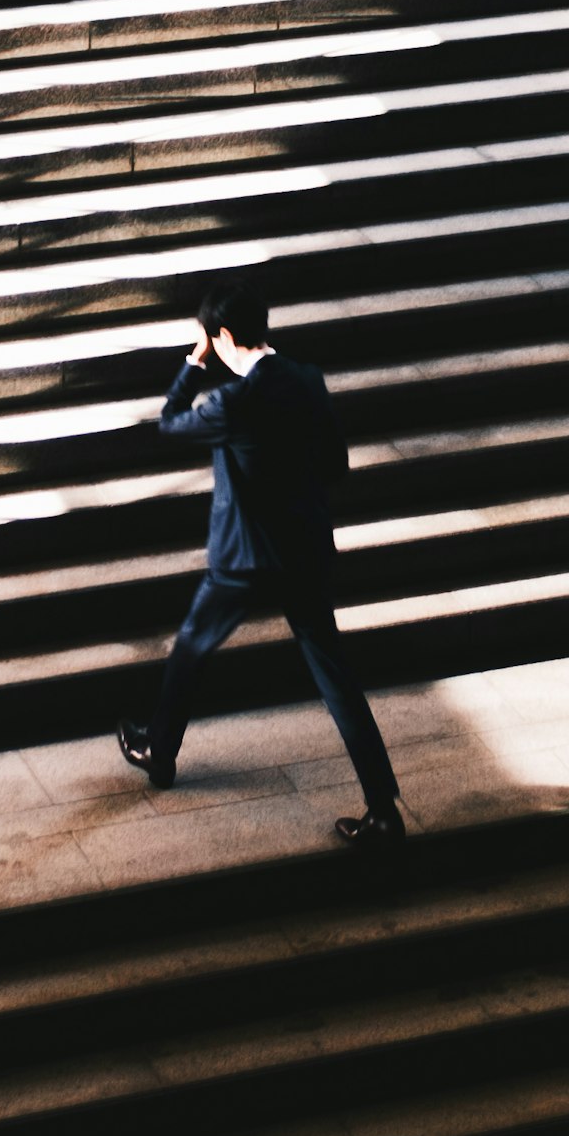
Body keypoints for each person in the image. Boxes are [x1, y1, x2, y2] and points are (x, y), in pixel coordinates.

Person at [120, 283, 406, 846]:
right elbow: (335, 464)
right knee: (336, 679)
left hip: (243, 559)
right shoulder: (307, 380)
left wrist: (191, 366)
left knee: (193, 646)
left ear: (221, 337)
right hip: (303, 552)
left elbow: (170, 422)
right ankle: (382, 808)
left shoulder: (231, 403)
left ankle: (159, 749)